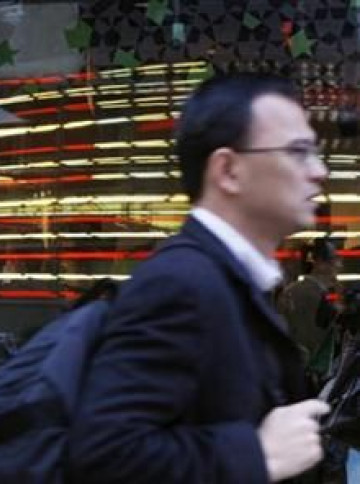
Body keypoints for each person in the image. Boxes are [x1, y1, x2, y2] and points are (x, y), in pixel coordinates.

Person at [68, 73, 330, 483]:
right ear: (228, 170)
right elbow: (103, 456)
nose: (319, 171)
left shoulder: (231, 279)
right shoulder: (181, 283)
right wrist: (258, 454)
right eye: (298, 151)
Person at [279, 238, 342, 376]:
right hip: (311, 371)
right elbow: (307, 337)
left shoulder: (326, 291)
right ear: (319, 263)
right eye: (335, 259)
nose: (339, 265)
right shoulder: (303, 292)